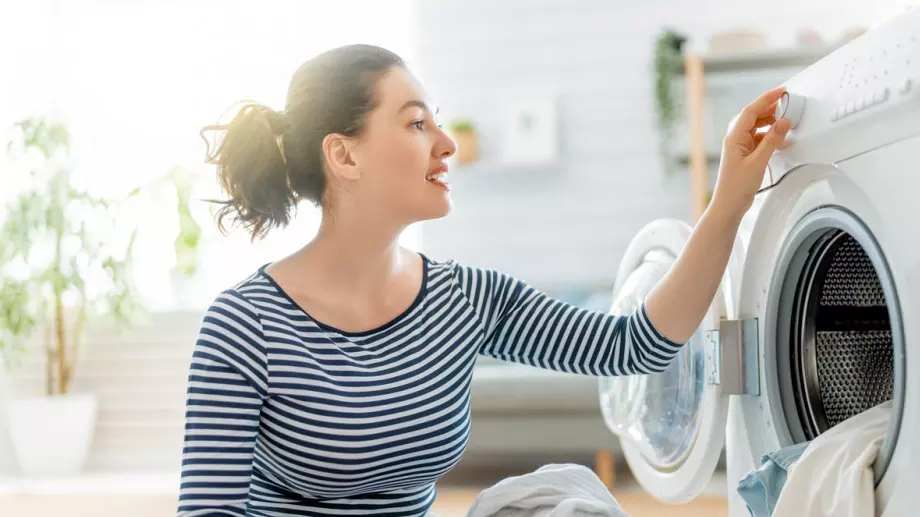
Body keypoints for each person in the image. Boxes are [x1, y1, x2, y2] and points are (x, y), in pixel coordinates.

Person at [176, 44, 791, 516]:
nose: (446, 145)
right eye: (417, 124)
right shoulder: (244, 327)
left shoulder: (464, 298)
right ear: (344, 155)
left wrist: (729, 201)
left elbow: (634, 346)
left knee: (567, 496)